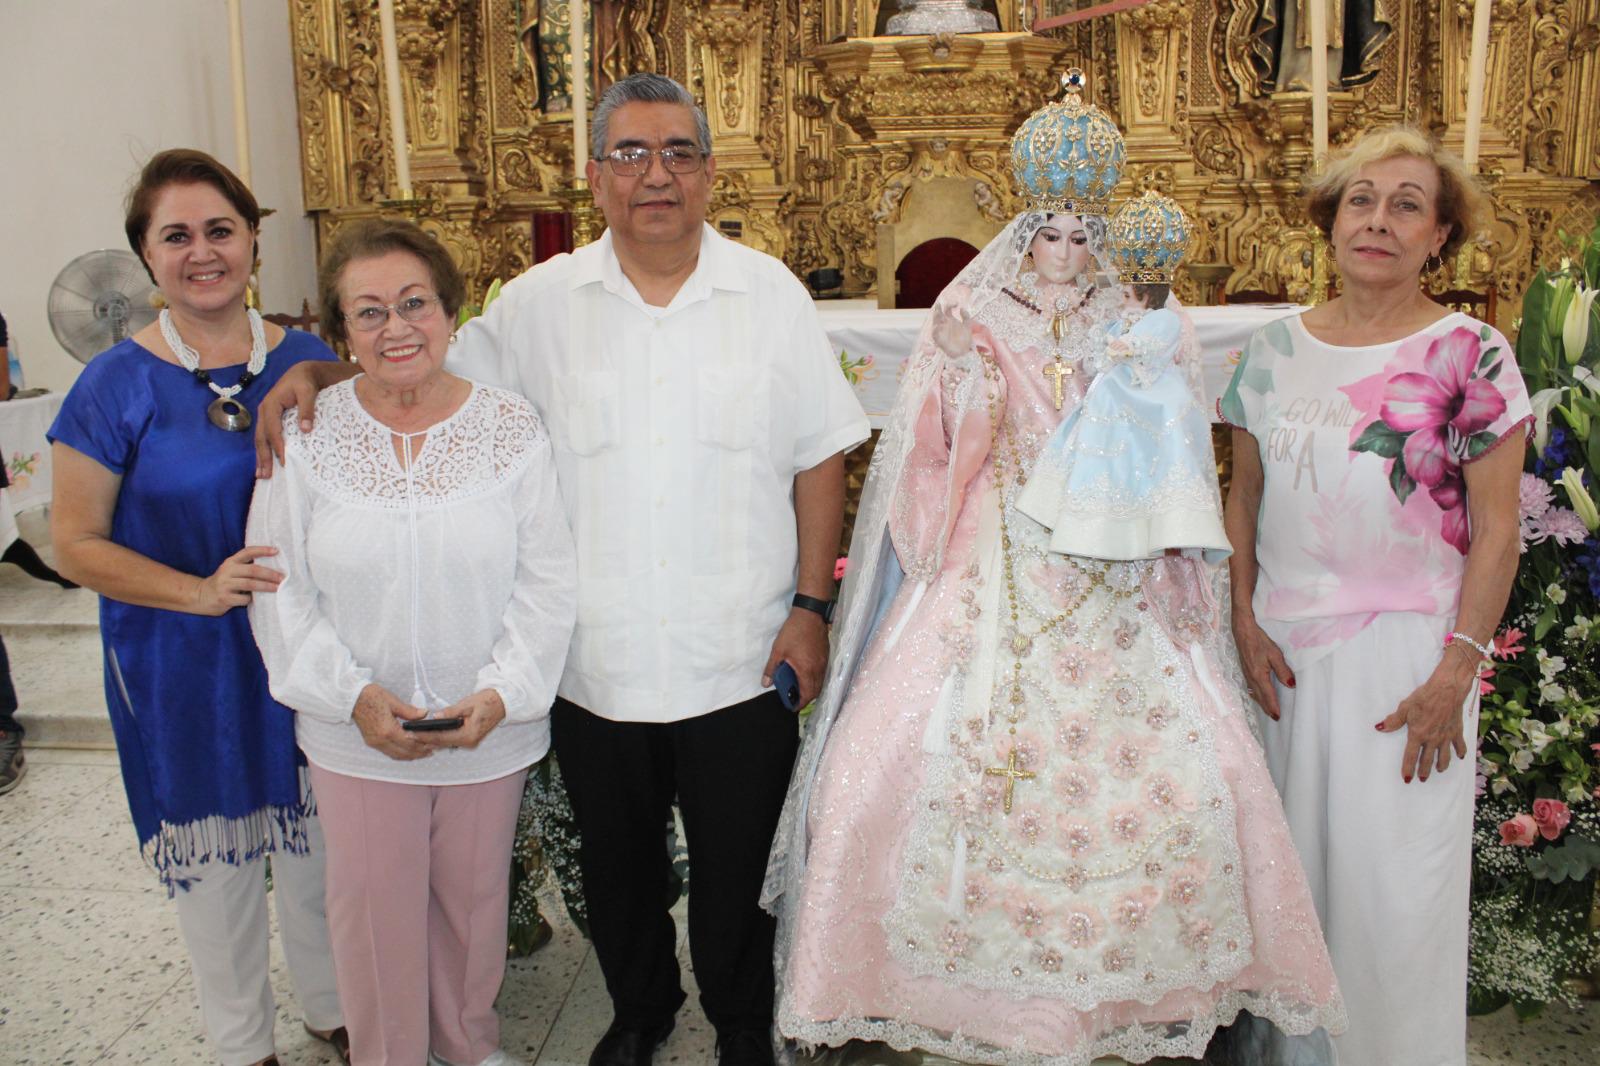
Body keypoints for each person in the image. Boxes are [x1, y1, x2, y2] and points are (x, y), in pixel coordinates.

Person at [255, 73, 870, 1066]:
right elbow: (423, 360)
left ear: (710, 171)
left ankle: (744, 1022)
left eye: (676, 151)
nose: (654, 174)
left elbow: (818, 456)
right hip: (594, 656)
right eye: (629, 153)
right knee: (616, 863)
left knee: (737, 863)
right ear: (595, 177)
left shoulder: (769, 297)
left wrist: (811, 602)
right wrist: (328, 369)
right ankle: (640, 1011)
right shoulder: (538, 306)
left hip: (740, 645)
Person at [764, 76, 1345, 1065]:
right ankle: (947, 996)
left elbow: (1174, 455)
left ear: (1103, 234)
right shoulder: (982, 311)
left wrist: (1142, 387)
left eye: (1085, 234)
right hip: (995, 555)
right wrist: (959, 370)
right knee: (885, 768)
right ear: (1025, 231)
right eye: (1051, 233)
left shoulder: (1144, 316)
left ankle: (1127, 1000)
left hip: (1118, 566)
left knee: (1198, 765)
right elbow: (936, 459)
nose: (1068, 253)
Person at [1219, 125, 1527, 1066]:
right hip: (1282, 659)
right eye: (1361, 199)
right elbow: (1243, 494)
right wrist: (1239, 620)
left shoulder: (1471, 352)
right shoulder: (1270, 351)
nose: (1378, 221)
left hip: (1410, 665)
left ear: (1439, 236)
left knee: (1397, 897)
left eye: (1406, 205)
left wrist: (1458, 668)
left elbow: (1499, 528)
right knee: (1290, 892)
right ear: (1331, 219)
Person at [247, 218, 577, 1066]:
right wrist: (350, 696)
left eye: (413, 303)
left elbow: (547, 581)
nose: (395, 328)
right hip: (355, 731)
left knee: (472, 907)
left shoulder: (510, 429)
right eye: (368, 313)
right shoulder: (309, 435)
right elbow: (279, 587)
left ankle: (468, 1044)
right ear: (338, 334)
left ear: (450, 312)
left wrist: (502, 692)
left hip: (485, 727)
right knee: (373, 912)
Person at [47, 149, 346, 1066]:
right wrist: (201, 591)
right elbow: (76, 542)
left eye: (221, 230)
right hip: (183, 657)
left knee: (317, 842)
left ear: (254, 240)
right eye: (176, 235)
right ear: (146, 256)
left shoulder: (309, 358)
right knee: (216, 865)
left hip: (305, 647)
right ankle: (239, 1041)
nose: (202, 251)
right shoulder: (113, 386)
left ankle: (336, 1008)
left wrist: (325, 378)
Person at [1016, 191, 1231, 564]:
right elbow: (1103, 345)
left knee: (1138, 453)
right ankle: (1087, 515)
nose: (1064, 253)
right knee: (1086, 446)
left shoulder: (1162, 320)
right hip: (1112, 392)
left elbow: (1151, 343)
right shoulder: (1119, 316)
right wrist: (1106, 344)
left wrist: (1122, 347)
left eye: (1079, 240)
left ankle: (1146, 521)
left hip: (1146, 394)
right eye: (1051, 237)